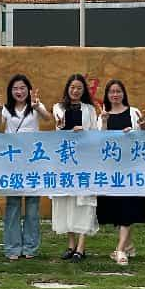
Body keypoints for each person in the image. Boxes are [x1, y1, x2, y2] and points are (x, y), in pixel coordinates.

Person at [0, 74, 52, 260]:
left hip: (33, 162)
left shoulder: (35, 106)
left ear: (29, 90)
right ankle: (12, 247)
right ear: (10, 91)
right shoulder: (6, 109)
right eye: (15, 88)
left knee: (32, 206)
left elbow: (48, 119)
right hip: (13, 163)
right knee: (13, 205)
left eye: (22, 88)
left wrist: (37, 106)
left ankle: (30, 248)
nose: (19, 91)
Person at [95, 79, 145, 266]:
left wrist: (139, 129)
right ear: (107, 95)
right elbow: (99, 141)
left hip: (131, 168)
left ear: (124, 93)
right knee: (117, 209)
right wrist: (104, 122)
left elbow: (144, 138)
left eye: (118, 91)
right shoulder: (103, 115)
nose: (115, 95)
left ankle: (120, 250)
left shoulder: (133, 112)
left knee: (128, 207)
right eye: (112, 92)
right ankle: (128, 245)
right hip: (111, 170)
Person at [51, 74, 99, 263]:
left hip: (85, 161)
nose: (75, 91)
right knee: (66, 200)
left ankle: (81, 246)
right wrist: (63, 128)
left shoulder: (90, 109)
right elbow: (57, 131)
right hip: (65, 161)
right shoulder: (58, 107)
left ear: (84, 90)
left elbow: (95, 134)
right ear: (67, 88)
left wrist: (83, 133)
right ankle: (71, 245)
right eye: (72, 87)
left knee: (84, 202)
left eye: (79, 87)